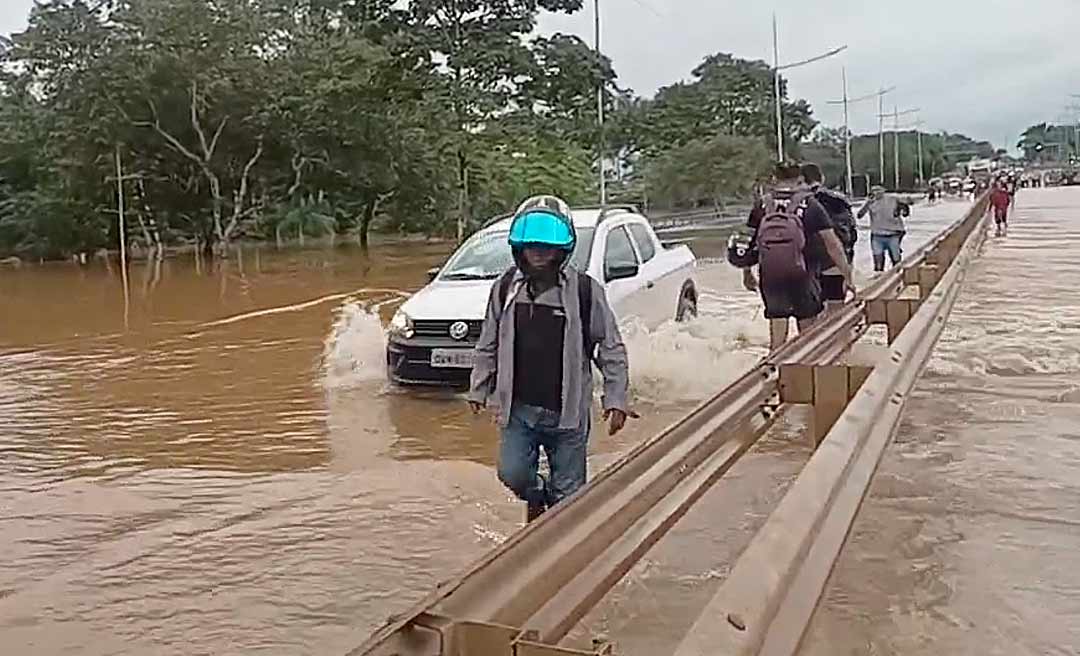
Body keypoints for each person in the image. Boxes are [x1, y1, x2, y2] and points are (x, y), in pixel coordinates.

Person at [467, 195, 631, 523]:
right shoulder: (504, 288)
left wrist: (616, 399)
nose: (539, 252)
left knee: (569, 503)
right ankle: (537, 496)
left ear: (562, 249)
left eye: (547, 246)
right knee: (512, 474)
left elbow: (610, 348)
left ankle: (559, 560)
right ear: (519, 248)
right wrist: (479, 387)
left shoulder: (585, 291)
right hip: (519, 410)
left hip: (567, 414)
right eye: (532, 245)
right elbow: (489, 342)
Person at [738, 162, 856, 352]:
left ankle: (774, 371)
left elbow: (746, 242)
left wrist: (746, 272)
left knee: (777, 335)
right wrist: (847, 275)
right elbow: (832, 244)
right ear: (800, 179)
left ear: (774, 179)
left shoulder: (762, 204)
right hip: (804, 273)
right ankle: (804, 373)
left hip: (770, 274)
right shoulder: (809, 204)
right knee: (807, 335)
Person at [800, 162, 857, 311]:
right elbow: (850, 233)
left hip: (804, 263)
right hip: (834, 263)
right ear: (822, 178)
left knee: (811, 314)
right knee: (836, 310)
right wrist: (848, 266)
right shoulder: (839, 199)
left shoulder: (796, 202)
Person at [857, 185, 907, 272]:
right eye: (874, 191)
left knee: (896, 260)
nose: (876, 193)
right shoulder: (870, 203)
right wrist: (868, 203)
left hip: (893, 234)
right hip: (877, 235)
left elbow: (906, 206)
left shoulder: (893, 199)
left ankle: (897, 280)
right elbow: (859, 215)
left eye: (878, 191)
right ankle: (880, 279)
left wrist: (902, 209)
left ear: (883, 191)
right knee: (878, 264)